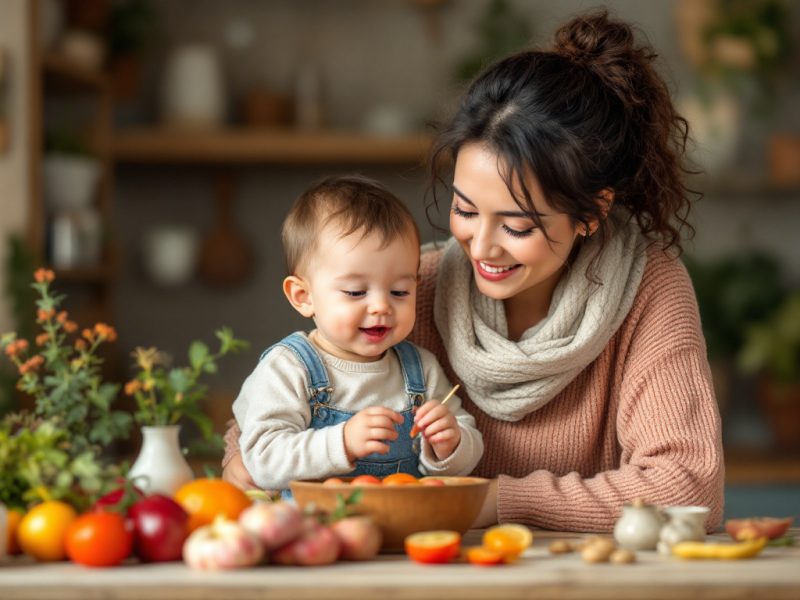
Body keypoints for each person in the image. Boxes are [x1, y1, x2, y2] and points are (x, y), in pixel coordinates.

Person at [223, 10, 724, 531]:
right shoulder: (406, 289)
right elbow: (250, 444)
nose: (480, 247)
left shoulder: (648, 289)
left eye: (517, 225)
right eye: (465, 211)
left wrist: (485, 502)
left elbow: (687, 486)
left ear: (591, 214)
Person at [231, 175, 483, 495]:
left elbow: (466, 460)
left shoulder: (420, 369)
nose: (380, 306)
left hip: (401, 532)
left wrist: (452, 443)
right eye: (355, 292)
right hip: (315, 531)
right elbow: (262, 460)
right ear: (303, 296)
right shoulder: (289, 369)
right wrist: (342, 442)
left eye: (399, 291)